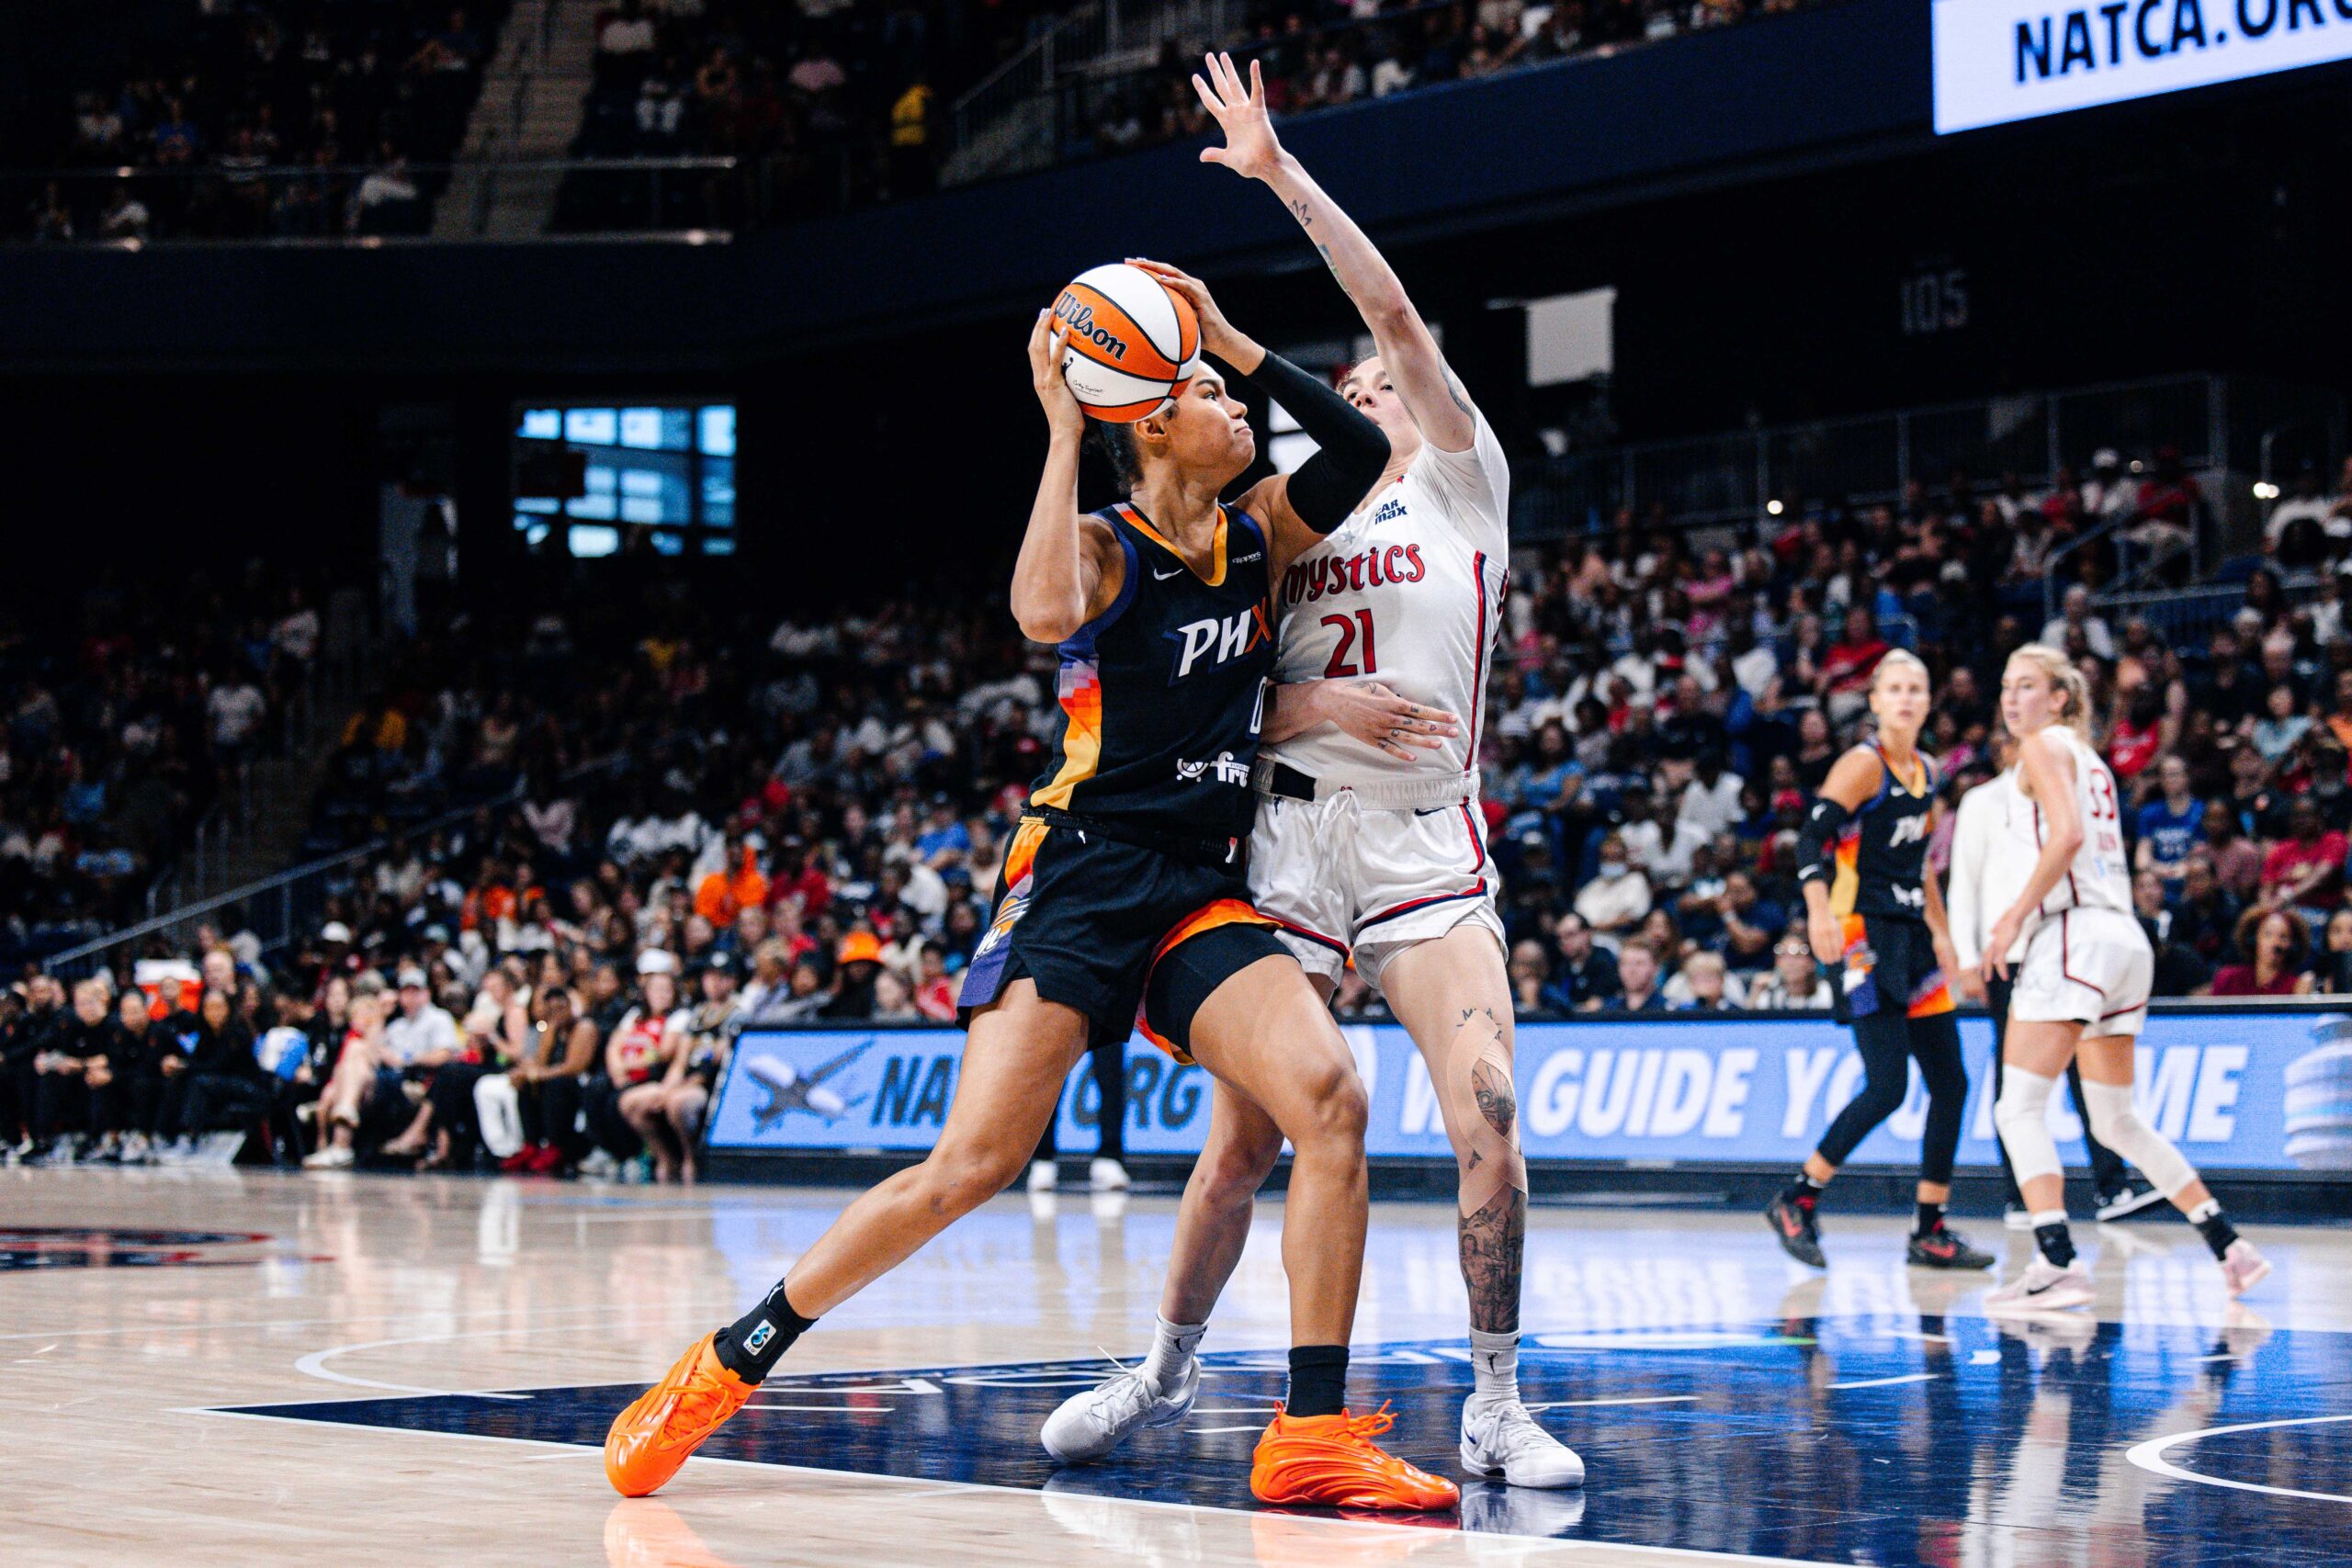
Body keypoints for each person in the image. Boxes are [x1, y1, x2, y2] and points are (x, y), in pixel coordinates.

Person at [605, 247, 1456, 1512]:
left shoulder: (1257, 532)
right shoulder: (1108, 547)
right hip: (1079, 874)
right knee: (970, 1166)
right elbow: (1042, 611)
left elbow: (1352, 449)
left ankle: (1312, 1429)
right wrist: (1063, 425)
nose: (1241, 411)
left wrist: (1222, 336)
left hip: (1195, 886)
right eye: (1215, 398)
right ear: (1150, 418)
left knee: (1328, 1097)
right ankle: (730, 1359)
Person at [1040, 56, 1581, 1493]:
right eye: (1338, 383)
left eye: (1376, 380)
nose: (1359, 382)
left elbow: (1389, 314)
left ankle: (1495, 1401)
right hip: (1284, 838)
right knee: (1246, 1140)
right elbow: (1198, 698)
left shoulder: (1465, 481)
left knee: (1491, 1111)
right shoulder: (1288, 523)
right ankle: (1163, 1362)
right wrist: (1305, 693)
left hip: (1418, 841)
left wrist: (1279, 180)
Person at [1982, 645, 2269, 1312]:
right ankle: (2230, 1244)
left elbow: (2068, 837)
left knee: (2016, 1106)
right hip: (2123, 939)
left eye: (2027, 685)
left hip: (2076, 933)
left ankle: (2056, 1261)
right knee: (2116, 1120)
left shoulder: (2044, 745)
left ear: (2060, 698)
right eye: (2006, 686)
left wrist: (2009, 921)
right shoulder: (2094, 761)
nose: (2011, 698)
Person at [1764, 652, 1992, 1272]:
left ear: (1928, 699)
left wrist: (1944, 936)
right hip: (1860, 932)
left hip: (1912, 935)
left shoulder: (1929, 770)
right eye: (1895, 688)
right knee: (1888, 1085)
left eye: (1917, 687)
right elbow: (1811, 839)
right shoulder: (1863, 764)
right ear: (1875, 699)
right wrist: (1817, 912)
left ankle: (1929, 1227)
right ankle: (1797, 1196)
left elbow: (1921, 863)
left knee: (1951, 1082)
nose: (1907, 697)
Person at [1946, 739, 2159, 1231]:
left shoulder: (2064, 794)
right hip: (2010, 953)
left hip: (2067, 942)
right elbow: (1965, 883)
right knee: (2014, 1077)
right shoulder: (1982, 802)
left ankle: (2112, 1184)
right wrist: (1967, 958)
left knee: (2090, 1066)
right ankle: (2021, 1196)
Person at [2210, 908, 2314, 998]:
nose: (2275, 943)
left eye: (2283, 937)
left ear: (2293, 945)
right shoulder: (2228, 979)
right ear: (2253, 938)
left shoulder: (2296, 986)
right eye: (2268, 934)